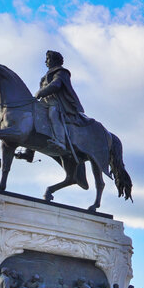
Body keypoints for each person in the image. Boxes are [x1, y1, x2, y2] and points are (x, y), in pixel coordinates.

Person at [34, 50, 88, 187]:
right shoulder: (46, 75)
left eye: (47, 59)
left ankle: (60, 141)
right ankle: (29, 152)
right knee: (32, 118)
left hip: (58, 103)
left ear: (54, 60)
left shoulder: (61, 72)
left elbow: (56, 85)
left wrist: (41, 92)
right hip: (44, 103)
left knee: (53, 114)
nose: (45, 61)